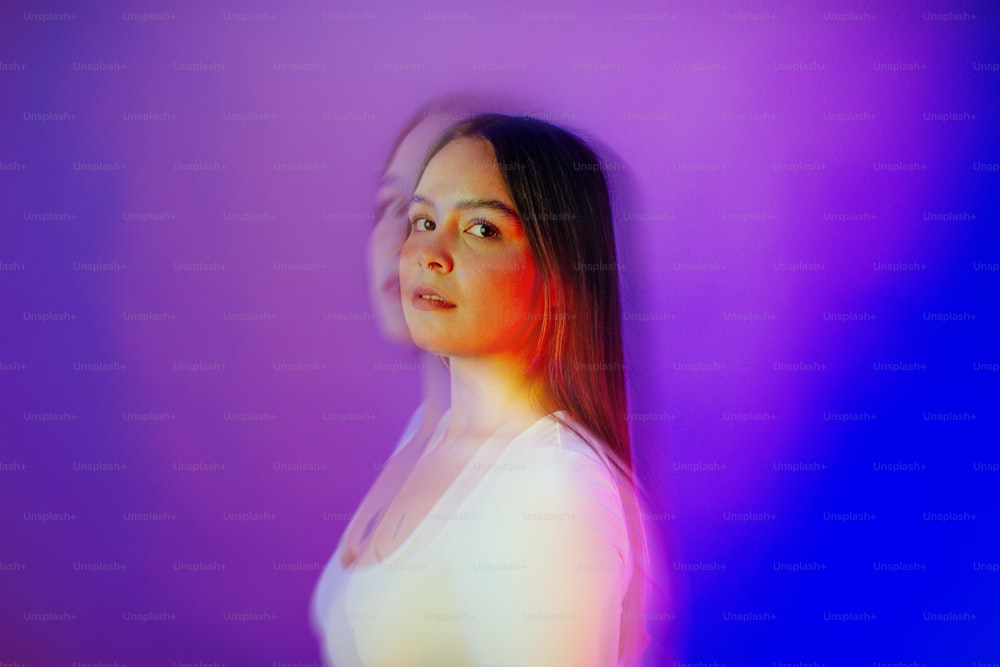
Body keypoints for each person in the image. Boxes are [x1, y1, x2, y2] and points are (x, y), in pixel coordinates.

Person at [311, 113, 652, 666]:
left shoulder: (553, 492)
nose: (429, 253)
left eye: (481, 229)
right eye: (422, 221)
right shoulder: (429, 435)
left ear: (559, 266)